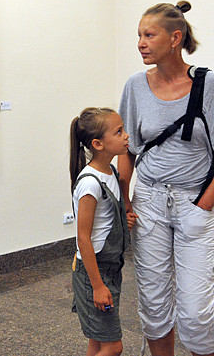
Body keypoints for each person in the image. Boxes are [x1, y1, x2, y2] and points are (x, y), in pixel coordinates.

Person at [118, 1, 214, 356]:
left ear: (175, 38)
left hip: (193, 203)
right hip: (149, 203)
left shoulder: (210, 84)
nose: (140, 43)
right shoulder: (135, 86)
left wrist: (204, 205)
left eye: (149, 35)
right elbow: (127, 149)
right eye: (139, 35)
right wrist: (126, 200)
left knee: (196, 314)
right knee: (154, 307)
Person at [69, 107, 136, 356]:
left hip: (109, 270)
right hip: (93, 274)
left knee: (97, 342)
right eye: (118, 132)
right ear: (98, 144)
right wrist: (97, 286)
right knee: (113, 346)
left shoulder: (110, 172)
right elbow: (83, 238)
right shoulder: (90, 183)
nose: (126, 136)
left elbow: (104, 221)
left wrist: (123, 221)